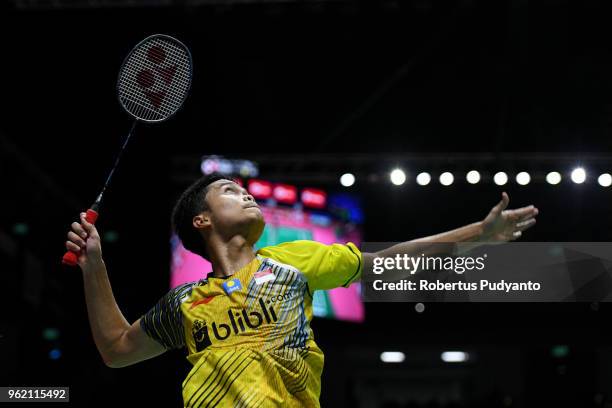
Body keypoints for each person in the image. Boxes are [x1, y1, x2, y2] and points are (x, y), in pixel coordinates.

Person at [64, 173, 538, 407]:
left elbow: (392, 261)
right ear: (201, 220)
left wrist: (480, 232)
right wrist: (95, 265)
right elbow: (117, 349)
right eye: (229, 191)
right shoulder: (185, 304)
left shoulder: (293, 263)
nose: (246, 194)